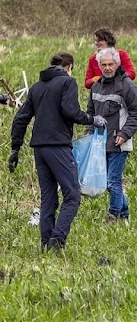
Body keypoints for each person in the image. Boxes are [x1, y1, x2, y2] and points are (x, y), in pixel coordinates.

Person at [8, 52, 105, 250]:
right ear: (69, 66)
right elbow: (70, 111)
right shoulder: (67, 83)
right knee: (73, 195)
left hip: (39, 149)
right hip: (58, 146)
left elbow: (20, 118)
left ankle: (45, 243)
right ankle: (57, 239)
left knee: (49, 197)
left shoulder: (36, 87)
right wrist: (92, 119)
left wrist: (15, 148)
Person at [85, 47, 137, 222]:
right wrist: (89, 135)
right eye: (104, 65)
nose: (108, 68)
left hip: (119, 142)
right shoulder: (96, 86)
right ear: (99, 66)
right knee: (108, 183)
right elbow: (90, 112)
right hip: (99, 142)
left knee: (113, 182)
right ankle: (124, 214)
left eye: (111, 64)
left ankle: (113, 215)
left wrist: (125, 134)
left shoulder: (127, 86)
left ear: (117, 64)